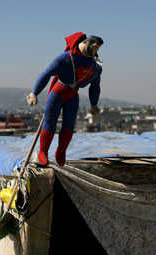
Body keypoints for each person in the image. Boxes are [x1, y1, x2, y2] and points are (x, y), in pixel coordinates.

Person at [27, 32, 103, 166]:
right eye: (95, 47)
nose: (96, 51)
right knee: (50, 121)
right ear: (87, 43)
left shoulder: (95, 66)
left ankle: (61, 151)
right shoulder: (65, 58)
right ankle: (43, 152)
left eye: (98, 49)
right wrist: (34, 93)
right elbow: (46, 74)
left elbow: (95, 86)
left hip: (73, 95)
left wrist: (94, 104)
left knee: (69, 125)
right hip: (58, 92)